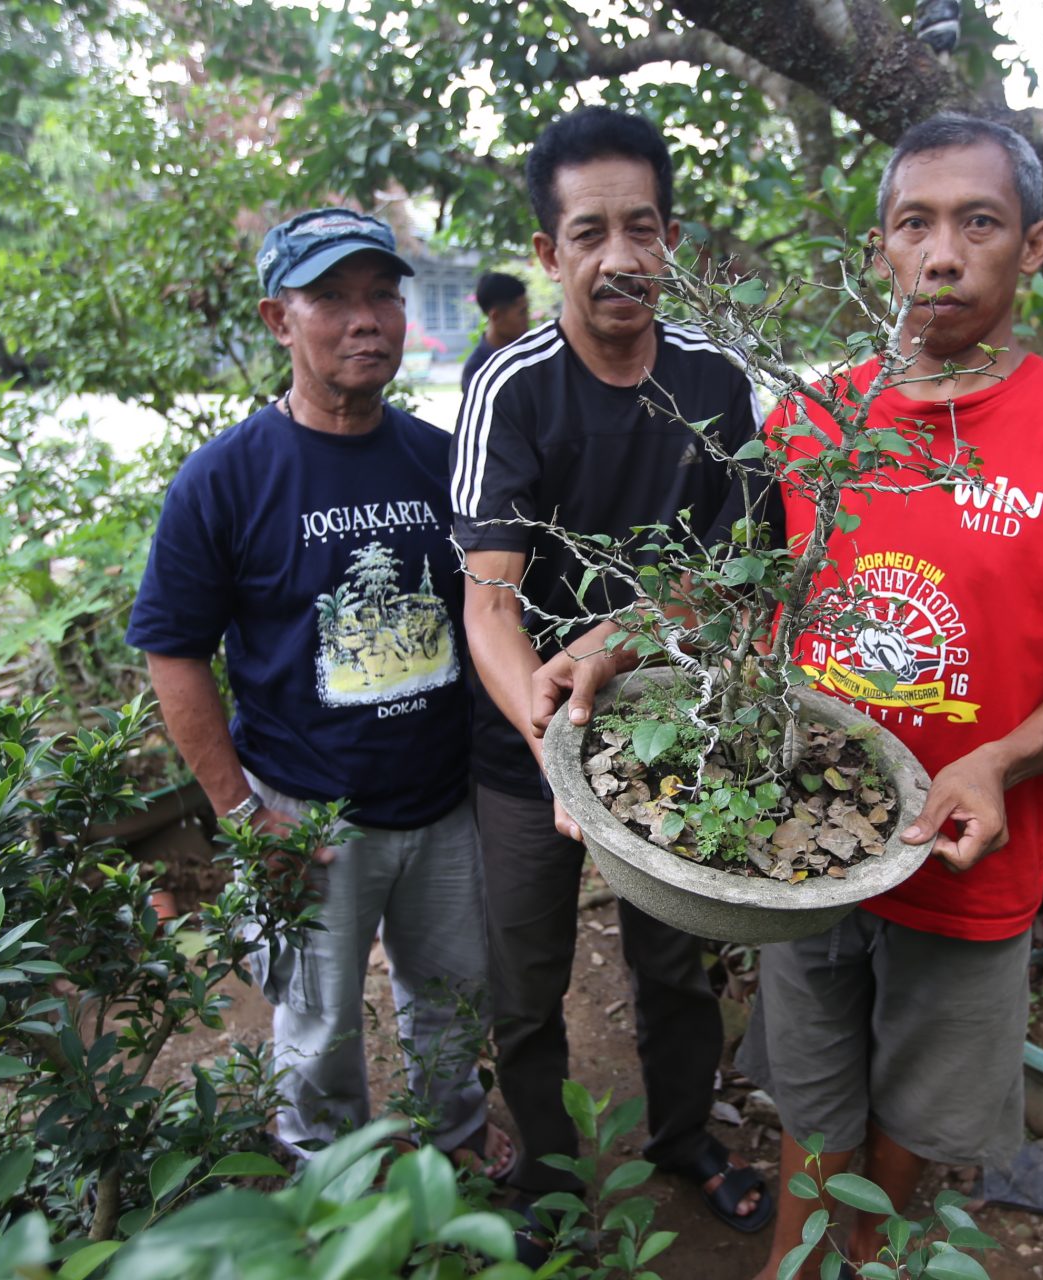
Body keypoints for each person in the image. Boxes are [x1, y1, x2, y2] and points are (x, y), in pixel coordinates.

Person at [737, 115, 1043, 1277]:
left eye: (978, 223)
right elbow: (746, 593)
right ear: (879, 248)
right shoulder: (804, 421)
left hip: (969, 861)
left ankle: (853, 1253)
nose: (944, 253)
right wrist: (629, 637)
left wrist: (999, 761)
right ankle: (800, 1260)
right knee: (811, 1106)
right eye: (915, 224)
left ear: (1034, 247)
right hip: (803, 848)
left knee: (913, 1125)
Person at [127, 207, 510, 1177]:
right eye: (331, 297)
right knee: (317, 1011)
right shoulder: (225, 479)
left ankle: (455, 1137)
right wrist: (242, 811)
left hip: (441, 805)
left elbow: (492, 613)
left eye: (381, 292)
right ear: (277, 318)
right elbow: (174, 652)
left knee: (453, 992)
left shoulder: (440, 459)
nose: (366, 318)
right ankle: (325, 1164)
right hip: (301, 813)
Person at [450, 107, 773, 1239]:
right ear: (550, 254)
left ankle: (685, 1130)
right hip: (520, 733)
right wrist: (545, 720)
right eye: (589, 232)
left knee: (675, 962)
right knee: (525, 976)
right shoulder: (511, 387)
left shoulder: (717, 381)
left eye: (641, 228)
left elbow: (743, 568)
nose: (619, 257)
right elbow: (488, 600)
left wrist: (624, 637)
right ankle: (545, 1176)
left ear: (670, 238)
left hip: (669, 728)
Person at [460, 271, 532, 390]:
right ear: (496, 316)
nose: (527, 320)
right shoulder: (477, 370)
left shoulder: (531, 354)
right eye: (522, 313)